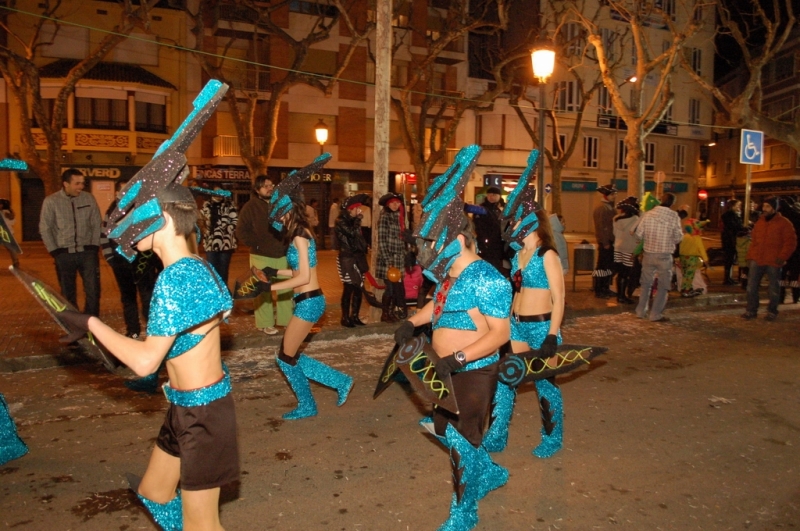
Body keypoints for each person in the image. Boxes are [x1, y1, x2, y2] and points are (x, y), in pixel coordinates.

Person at [62, 182, 238, 531]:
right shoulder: (195, 266)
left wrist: (91, 322)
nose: (126, 230)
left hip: (202, 416)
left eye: (134, 218)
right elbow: (191, 337)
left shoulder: (176, 277)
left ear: (162, 219)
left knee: (202, 525)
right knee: (154, 492)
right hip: (187, 408)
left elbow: (145, 362)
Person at [394, 144, 510, 531]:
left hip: (474, 370)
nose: (431, 252)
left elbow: (500, 333)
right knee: (444, 430)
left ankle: (465, 511)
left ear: (459, 240)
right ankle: (489, 472)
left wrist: (459, 360)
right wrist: (412, 321)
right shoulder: (450, 276)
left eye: (437, 244)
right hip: (441, 368)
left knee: (459, 441)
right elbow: (439, 309)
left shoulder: (489, 279)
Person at [265, 157, 353, 420]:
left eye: (280, 212)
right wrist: (274, 272)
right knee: (288, 355)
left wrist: (273, 287)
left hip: (309, 301)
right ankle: (339, 382)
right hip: (308, 300)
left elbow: (303, 277)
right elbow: (301, 271)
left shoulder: (300, 235)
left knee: (285, 357)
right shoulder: (300, 233)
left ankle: (311, 402)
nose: (278, 218)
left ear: (288, 209)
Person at [101, 182, 160, 340]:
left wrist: (154, 258)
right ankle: (133, 330)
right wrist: (110, 257)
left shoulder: (143, 207)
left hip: (143, 260)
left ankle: (152, 330)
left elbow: (154, 231)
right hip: (121, 261)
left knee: (147, 295)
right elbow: (104, 234)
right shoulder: (113, 210)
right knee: (128, 297)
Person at [39, 168, 102, 316]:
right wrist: (54, 251)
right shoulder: (51, 201)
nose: (81, 187)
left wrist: (93, 246)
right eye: (77, 183)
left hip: (87, 253)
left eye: (82, 183)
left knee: (93, 290)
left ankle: (92, 322)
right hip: (64, 254)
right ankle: (73, 324)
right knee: (67, 293)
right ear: (65, 184)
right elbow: (45, 227)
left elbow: (96, 223)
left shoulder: (88, 198)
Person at [237, 175, 292, 335]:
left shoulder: (280, 204)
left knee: (285, 289)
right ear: (257, 190)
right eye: (265, 186)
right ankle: (265, 323)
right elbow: (241, 231)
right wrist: (257, 243)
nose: (269, 188)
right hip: (260, 255)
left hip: (281, 254)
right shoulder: (250, 207)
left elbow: (290, 224)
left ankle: (286, 320)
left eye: (271, 184)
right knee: (262, 290)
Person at [741, 197, 797, 321]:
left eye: (767, 206)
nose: (764, 209)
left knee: (773, 288)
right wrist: (750, 256)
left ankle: (772, 311)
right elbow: (754, 241)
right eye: (764, 206)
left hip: (773, 260)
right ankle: (751, 310)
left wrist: (782, 257)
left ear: (774, 208)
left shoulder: (784, 223)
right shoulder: (760, 222)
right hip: (757, 258)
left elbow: (790, 242)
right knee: (751, 286)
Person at [634, 192, 683, 322]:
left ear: (661, 200)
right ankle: (655, 314)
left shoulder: (648, 215)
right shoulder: (674, 216)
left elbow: (638, 234)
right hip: (665, 256)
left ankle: (640, 311)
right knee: (663, 286)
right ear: (672, 203)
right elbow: (678, 238)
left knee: (645, 284)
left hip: (648, 254)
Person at [335, 194, 370, 327]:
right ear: (350, 209)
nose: (359, 211)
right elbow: (350, 233)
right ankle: (345, 317)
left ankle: (354, 316)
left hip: (358, 257)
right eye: (357, 209)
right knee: (349, 287)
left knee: (359, 287)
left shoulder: (353, 220)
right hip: (347, 257)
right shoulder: (341, 221)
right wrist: (357, 220)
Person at [376, 192, 407, 322]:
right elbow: (382, 241)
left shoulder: (400, 218)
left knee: (396, 289)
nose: (395, 205)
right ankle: (385, 313)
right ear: (388, 204)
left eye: (397, 202)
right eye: (392, 203)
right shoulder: (385, 217)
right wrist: (388, 260)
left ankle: (392, 312)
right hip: (388, 260)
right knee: (389, 289)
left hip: (399, 259)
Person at [201, 185, 238, 287]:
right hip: (211, 244)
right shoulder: (207, 205)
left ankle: (224, 292)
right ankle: (215, 292)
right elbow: (203, 221)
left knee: (223, 270)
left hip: (226, 243)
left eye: (220, 192)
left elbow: (235, 221)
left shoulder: (229, 205)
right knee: (212, 270)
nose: (218, 194)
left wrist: (227, 228)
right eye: (216, 192)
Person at [472, 186, 507, 276]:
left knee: (497, 266)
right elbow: (478, 225)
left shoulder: (501, 209)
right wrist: (484, 240)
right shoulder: (482, 209)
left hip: (499, 244)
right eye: (489, 195)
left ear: (499, 196)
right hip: (486, 244)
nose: (491, 197)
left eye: (494, 195)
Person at [613, 196, 641, 304]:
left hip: (618, 247)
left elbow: (615, 233)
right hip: (629, 248)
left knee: (620, 272)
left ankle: (619, 295)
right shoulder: (635, 220)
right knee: (626, 272)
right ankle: (622, 296)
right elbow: (637, 236)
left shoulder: (616, 218)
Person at [593, 183, 617, 298]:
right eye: (612, 194)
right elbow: (600, 227)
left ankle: (605, 287)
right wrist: (605, 242)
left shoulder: (609, 206)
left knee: (608, 266)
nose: (614, 196)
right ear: (607, 195)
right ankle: (599, 289)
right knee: (602, 266)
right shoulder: (602, 208)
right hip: (605, 242)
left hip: (610, 241)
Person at [778, 198, 800, 304]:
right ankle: (796, 296)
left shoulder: (779, 219)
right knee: (794, 275)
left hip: (782, 251)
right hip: (796, 252)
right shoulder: (796, 216)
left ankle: (780, 296)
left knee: (781, 275)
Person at [720, 199, 744, 285]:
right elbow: (734, 226)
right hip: (730, 240)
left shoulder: (732, 215)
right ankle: (727, 278)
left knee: (730, 259)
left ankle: (728, 278)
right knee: (729, 259)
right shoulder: (730, 215)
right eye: (737, 205)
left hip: (730, 239)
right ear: (732, 206)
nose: (739, 207)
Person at [1, 198, 20, 267]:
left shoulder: (3, 213)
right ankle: (15, 261)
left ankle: (16, 262)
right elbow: (13, 222)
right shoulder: (9, 212)